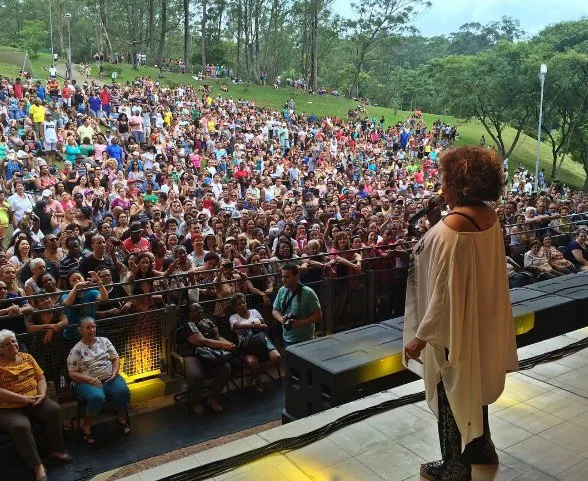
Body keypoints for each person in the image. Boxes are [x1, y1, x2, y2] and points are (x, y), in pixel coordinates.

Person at [403, 147, 518, 481]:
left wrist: (420, 338)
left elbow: (442, 294)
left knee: (451, 388)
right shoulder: (489, 217)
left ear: (458, 183)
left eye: (444, 178)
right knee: (475, 382)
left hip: (452, 329)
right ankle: (482, 447)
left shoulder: (451, 231)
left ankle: (454, 466)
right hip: (483, 320)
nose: (441, 185)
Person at [0, 329, 72, 481]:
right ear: (0, 349)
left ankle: (57, 450)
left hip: (34, 399)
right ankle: (37, 465)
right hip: (8, 406)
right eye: (7, 344)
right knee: (20, 426)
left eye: (13, 341)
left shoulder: (27, 357)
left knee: (53, 410)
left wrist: (42, 394)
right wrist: (21, 398)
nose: (12, 345)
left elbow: (40, 378)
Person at [67, 317, 131, 444]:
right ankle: (86, 426)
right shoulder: (76, 350)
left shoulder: (104, 341)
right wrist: (89, 379)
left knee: (123, 391)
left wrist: (114, 372)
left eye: (93, 327)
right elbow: (72, 374)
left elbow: (115, 358)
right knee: (97, 397)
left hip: (109, 377)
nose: (92, 330)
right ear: (81, 330)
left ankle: (121, 419)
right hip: (85, 381)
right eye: (88, 327)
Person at [176, 302, 234, 413]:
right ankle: (196, 401)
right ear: (189, 314)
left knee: (225, 368)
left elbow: (217, 337)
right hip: (193, 353)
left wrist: (228, 344)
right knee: (195, 376)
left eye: (201, 309)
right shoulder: (188, 325)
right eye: (196, 310)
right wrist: (224, 345)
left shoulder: (207, 322)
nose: (200, 311)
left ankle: (212, 398)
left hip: (210, 353)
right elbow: (201, 341)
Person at [230, 293, 281, 393]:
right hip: (247, 343)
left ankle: (254, 374)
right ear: (235, 307)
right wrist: (255, 325)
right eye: (239, 304)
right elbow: (238, 326)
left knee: (277, 357)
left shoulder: (254, 311)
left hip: (262, 339)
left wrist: (258, 325)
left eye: (244, 302)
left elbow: (264, 325)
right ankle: (258, 380)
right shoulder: (233, 317)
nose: (243, 305)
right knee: (251, 362)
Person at [272, 263, 322, 347]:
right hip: (286, 338)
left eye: (287, 277)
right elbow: (275, 310)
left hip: (305, 339)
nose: (283, 280)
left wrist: (299, 323)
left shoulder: (308, 293)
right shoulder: (282, 290)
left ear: (297, 276)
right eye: (282, 276)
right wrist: (282, 320)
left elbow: (318, 316)